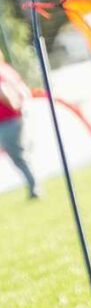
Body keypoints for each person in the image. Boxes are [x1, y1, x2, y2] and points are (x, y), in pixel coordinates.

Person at [0, 54, 39, 199]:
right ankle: (34, 186)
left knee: (18, 157)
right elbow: (25, 90)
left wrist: (14, 106)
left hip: (7, 121)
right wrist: (22, 107)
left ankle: (34, 188)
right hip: (18, 118)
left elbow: (2, 93)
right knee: (22, 153)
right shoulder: (7, 70)